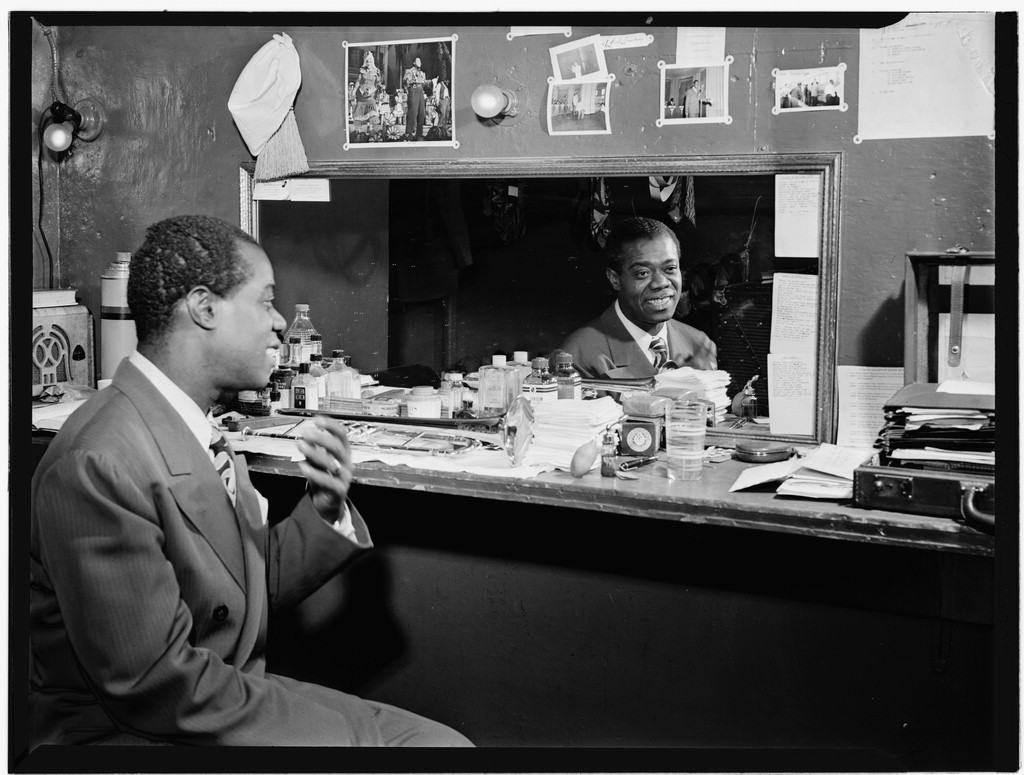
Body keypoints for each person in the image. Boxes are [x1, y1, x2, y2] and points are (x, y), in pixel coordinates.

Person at [29, 215, 474, 749]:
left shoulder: (192, 422)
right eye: (264, 301)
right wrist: (348, 740)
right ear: (204, 307)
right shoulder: (97, 463)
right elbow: (156, 686)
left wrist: (325, 508)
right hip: (129, 731)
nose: (281, 321)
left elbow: (235, 589)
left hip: (215, 693)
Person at [552, 216, 718, 379]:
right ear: (615, 279)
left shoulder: (700, 344)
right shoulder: (577, 357)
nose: (661, 283)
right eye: (643, 273)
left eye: (670, 268)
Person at [403, 57, 427, 141]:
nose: (420, 62)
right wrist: (410, 80)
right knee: (412, 111)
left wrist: (431, 81)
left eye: (420, 60)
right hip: (414, 90)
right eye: (417, 60)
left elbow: (424, 82)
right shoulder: (409, 71)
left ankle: (419, 134)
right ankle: (409, 133)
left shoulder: (422, 73)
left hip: (421, 91)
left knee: (421, 112)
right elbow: (407, 81)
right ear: (413, 62)